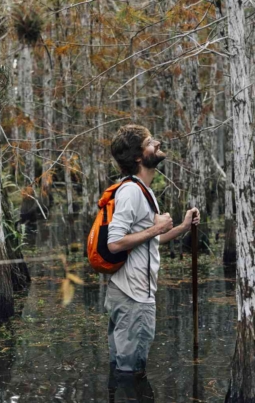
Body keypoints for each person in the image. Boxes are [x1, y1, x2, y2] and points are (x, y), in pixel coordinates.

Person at [105, 124, 200, 379]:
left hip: (128, 293)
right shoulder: (131, 192)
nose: (156, 144)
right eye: (150, 142)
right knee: (130, 374)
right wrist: (155, 229)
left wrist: (182, 226)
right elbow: (114, 243)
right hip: (133, 297)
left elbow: (149, 241)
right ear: (138, 156)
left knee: (123, 370)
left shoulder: (142, 190)